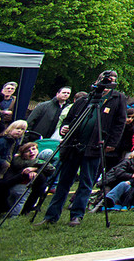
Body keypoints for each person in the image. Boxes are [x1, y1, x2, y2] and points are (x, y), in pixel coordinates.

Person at [42, 70, 127, 226]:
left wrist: (112, 143)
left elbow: (120, 122)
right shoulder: (86, 99)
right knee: (64, 181)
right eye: (105, 81)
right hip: (74, 145)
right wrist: (65, 127)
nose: (108, 85)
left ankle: (77, 215)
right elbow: (69, 118)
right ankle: (51, 215)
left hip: (95, 146)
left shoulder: (118, 99)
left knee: (86, 182)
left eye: (112, 81)